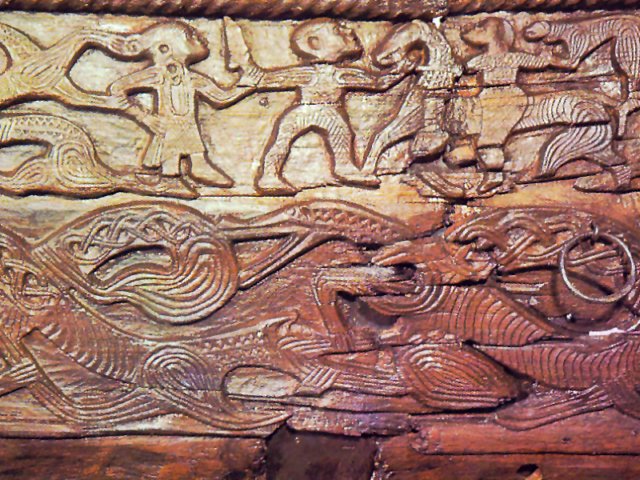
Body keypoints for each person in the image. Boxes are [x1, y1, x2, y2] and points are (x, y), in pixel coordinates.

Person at [254, 18, 414, 194]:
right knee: (281, 140)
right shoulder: (309, 73)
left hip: (330, 112)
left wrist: (400, 71)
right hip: (303, 110)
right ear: (314, 43)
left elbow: (377, 83)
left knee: (343, 136)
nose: (349, 30)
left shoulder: (342, 74)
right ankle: (269, 175)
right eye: (338, 30)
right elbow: (268, 79)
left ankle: (344, 167)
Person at [109, 21, 260, 187]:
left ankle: (184, 175)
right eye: (190, 36)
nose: (201, 38)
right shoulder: (155, 75)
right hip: (168, 128)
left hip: (187, 127)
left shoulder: (193, 78)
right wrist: (144, 117)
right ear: (165, 49)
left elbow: (221, 97)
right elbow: (117, 89)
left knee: (189, 153)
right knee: (171, 158)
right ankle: (171, 181)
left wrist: (245, 86)